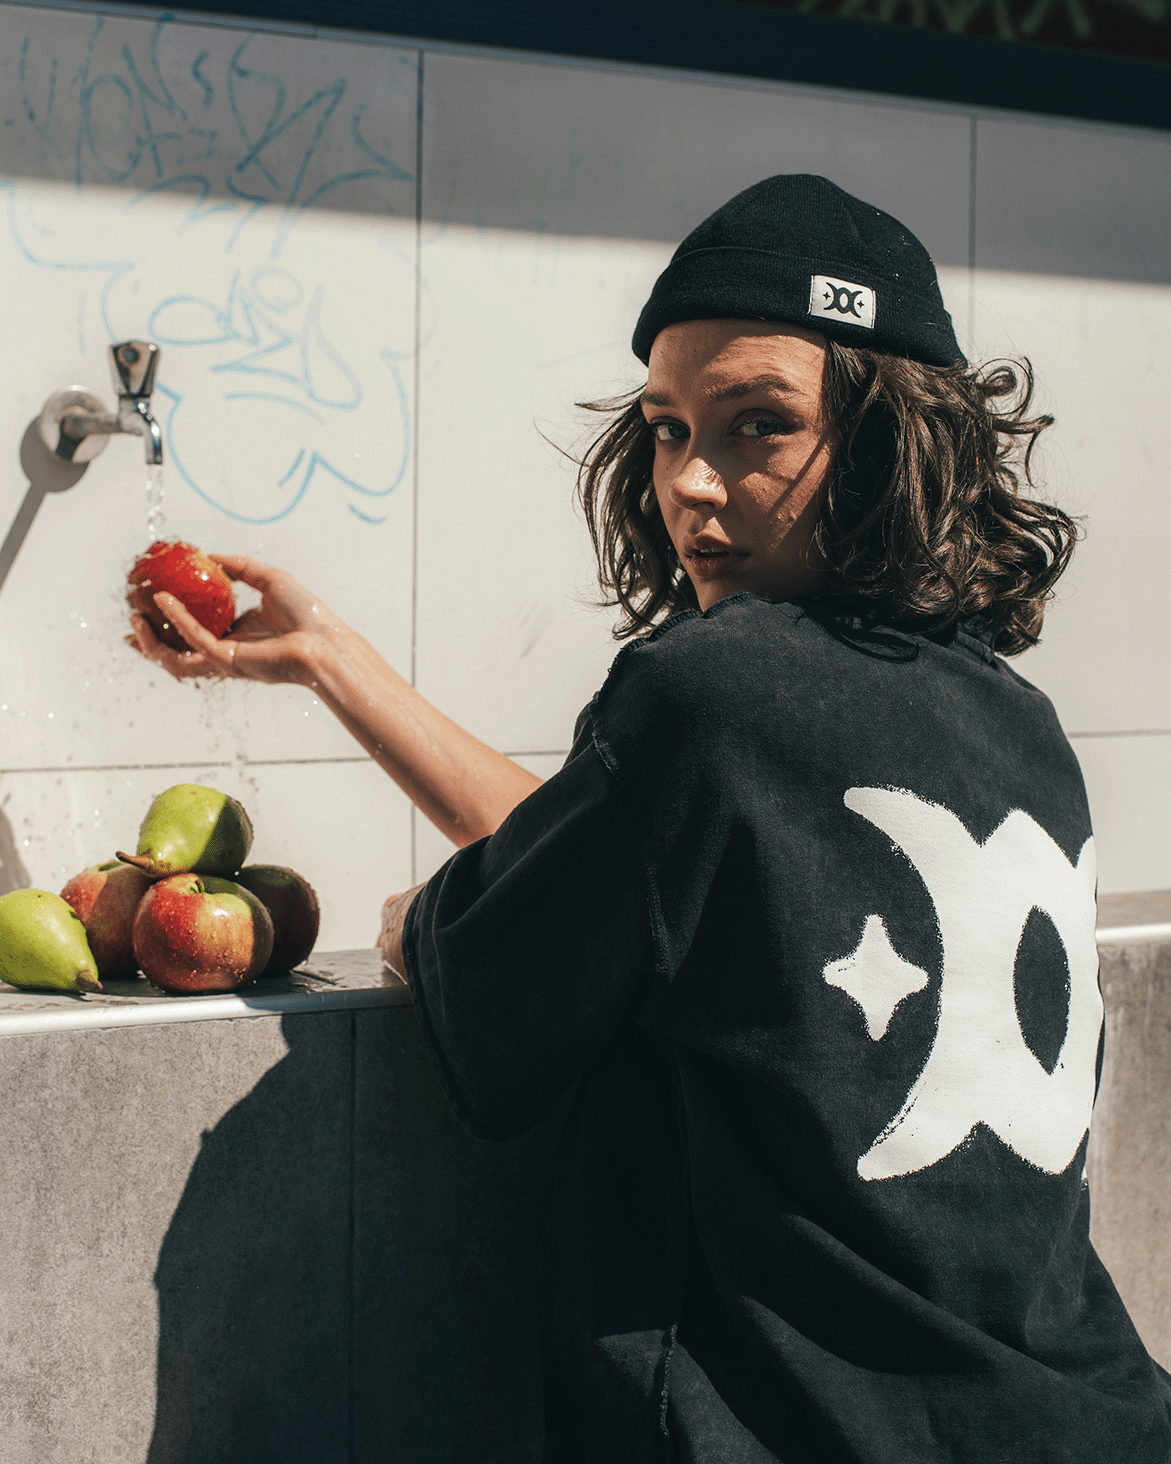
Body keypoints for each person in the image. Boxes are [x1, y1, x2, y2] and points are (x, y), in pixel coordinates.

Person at [130, 175, 1171, 1462]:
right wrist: (332, 658)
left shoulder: (709, 692)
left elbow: (510, 989)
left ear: (893, 439)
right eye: (672, 431)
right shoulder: (1016, 720)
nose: (693, 483)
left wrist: (431, 924)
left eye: (759, 428)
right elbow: (652, 861)